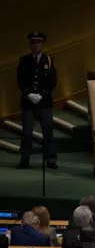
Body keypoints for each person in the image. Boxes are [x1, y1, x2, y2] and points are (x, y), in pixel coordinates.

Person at [16, 32, 57, 169]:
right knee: (27, 132)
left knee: (48, 131)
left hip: (44, 101)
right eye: (33, 43)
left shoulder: (49, 60)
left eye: (38, 42)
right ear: (30, 44)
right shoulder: (24, 60)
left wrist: (41, 94)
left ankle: (50, 159)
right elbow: (20, 80)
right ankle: (24, 158)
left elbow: (52, 81)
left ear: (42, 44)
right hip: (28, 102)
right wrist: (28, 94)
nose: (36, 45)